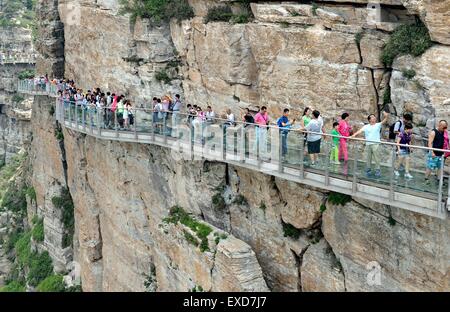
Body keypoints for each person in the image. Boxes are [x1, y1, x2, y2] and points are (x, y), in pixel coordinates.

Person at [351, 111, 390, 178]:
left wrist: (386, 116)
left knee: (377, 158)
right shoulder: (366, 126)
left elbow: (385, 120)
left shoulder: (378, 125)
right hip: (368, 144)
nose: (374, 118)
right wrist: (353, 135)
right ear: (369, 120)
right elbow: (359, 131)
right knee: (368, 158)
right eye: (372, 117)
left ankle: (377, 170)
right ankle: (368, 169)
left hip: (376, 144)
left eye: (374, 117)